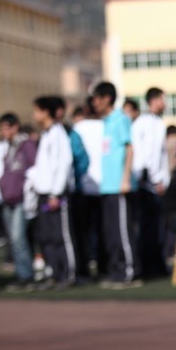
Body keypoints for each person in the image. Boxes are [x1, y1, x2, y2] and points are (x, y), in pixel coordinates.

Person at [92, 82, 140, 289]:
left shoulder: (121, 119)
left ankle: (129, 271)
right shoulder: (105, 123)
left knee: (122, 231)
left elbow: (129, 149)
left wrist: (125, 178)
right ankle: (116, 271)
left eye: (96, 98)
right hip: (107, 187)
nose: (94, 103)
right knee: (111, 232)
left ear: (106, 98)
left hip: (120, 186)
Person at [27, 96, 75, 289]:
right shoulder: (46, 135)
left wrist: (56, 192)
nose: (35, 115)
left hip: (55, 194)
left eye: (37, 110)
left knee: (60, 235)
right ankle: (53, 273)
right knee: (46, 236)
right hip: (44, 193)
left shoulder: (58, 134)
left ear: (46, 112)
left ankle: (66, 274)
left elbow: (64, 164)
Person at [0, 113, 38, 291]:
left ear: (15, 127)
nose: (3, 132)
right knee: (13, 239)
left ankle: (27, 276)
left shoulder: (26, 145)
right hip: (7, 199)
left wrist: (29, 194)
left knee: (18, 237)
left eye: (6, 128)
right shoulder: (6, 147)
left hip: (21, 199)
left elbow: (33, 170)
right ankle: (21, 274)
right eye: (1, 129)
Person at [132, 87, 170, 279]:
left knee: (156, 228)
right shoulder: (145, 123)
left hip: (153, 181)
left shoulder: (156, 122)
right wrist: (155, 179)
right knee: (149, 228)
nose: (165, 103)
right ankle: (147, 266)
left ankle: (156, 264)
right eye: (163, 99)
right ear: (154, 100)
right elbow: (147, 154)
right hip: (148, 182)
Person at [72, 99, 107, 282]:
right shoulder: (105, 126)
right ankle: (104, 268)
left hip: (83, 187)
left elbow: (77, 157)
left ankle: (84, 270)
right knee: (103, 231)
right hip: (105, 186)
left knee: (82, 233)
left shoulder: (78, 127)